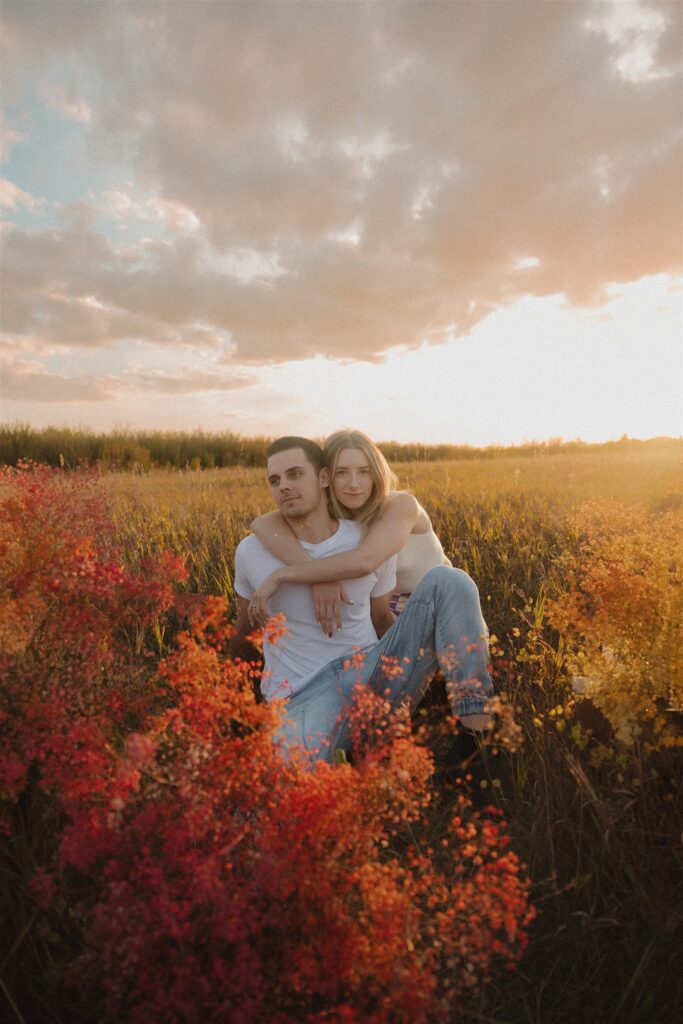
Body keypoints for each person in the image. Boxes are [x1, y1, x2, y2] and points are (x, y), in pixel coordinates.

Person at [230, 435, 492, 763]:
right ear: (330, 477)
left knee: (451, 580)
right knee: (284, 789)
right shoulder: (259, 546)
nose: (284, 486)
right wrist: (316, 571)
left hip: (412, 642)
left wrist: (294, 574)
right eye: (274, 480)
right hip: (306, 692)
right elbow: (262, 526)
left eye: (296, 474)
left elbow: (373, 589)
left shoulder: (381, 524)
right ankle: (370, 743)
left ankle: (477, 737)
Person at [248, 429, 453, 632]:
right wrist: (317, 575)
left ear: (376, 474)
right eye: (342, 472)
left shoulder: (401, 505)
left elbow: (365, 561)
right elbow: (263, 524)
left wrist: (285, 574)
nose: (353, 484)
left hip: (441, 600)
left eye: (364, 471)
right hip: (387, 607)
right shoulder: (335, 513)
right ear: (326, 477)